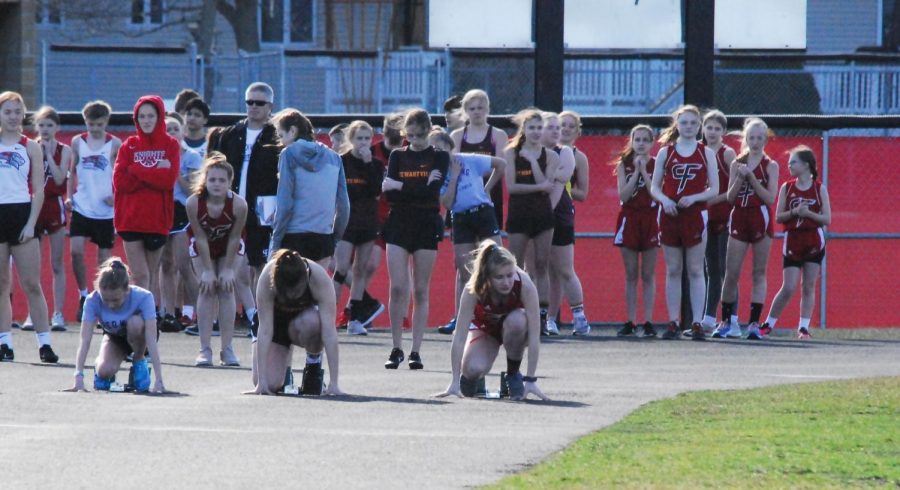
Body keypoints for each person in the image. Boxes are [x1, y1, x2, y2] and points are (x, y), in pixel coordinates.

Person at [435, 241, 548, 401]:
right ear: (487, 277)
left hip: (515, 328)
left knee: (517, 322)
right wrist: (454, 381)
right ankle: (469, 379)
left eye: (510, 275)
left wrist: (530, 380)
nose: (506, 282)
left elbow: (535, 336)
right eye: (499, 277)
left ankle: (513, 373)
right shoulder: (473, 289)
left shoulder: (525, 284)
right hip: (486, 330)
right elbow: (459, 336)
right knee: (473, 369)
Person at [207, 82, 280, 327]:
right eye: (250, 102)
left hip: (264, 210)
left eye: (259, 103)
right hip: (231, 209)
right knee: (235, 269)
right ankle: (252, 316)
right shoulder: (230, 135)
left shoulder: (276, 136)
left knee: (262, 266)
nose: (254, 107)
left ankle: (264, 314)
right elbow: (213, 170)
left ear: (270, 106)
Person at [381, 109, 449, 370]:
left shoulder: (439, 156)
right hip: (399, 222)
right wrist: (404, 188)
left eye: (419, 135)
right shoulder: (398, 155)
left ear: (428, 132)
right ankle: (396, 346)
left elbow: (431, 193)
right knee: (398, 286)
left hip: (426, 222)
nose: (414, 140)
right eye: (409, 135)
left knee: (421, 288)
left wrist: (400, 186)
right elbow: (390, 194)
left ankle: (416, 349)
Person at [649, 105, 719, 340]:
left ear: (698, 126)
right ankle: (673, 321)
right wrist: (665, 200)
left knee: (696, 269)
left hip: (695, 215)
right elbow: (654, 187)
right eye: (684, 122)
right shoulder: (665, 152)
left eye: (692, 123)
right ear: (676, 125)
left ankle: (697, 322)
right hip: (670, 215)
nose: (688, 127)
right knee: (673, 269)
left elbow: (716, 189)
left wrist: (695, 197)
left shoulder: (705, 152)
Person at [0, 91, 58, 363]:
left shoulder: (30, 146)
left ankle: (44, 343)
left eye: (17, 111)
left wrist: (31, 224)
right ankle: (5, 343)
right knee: (2, 285)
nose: (13, 117)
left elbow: (38, 190)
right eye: (7, 111)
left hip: (22, 214)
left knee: (32, 284)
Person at [113, 95, 181, 317]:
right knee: (139, 275)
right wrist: (153, 171)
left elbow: (168, 180)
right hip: (130, 219)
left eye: (151, 115)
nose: (146, 120)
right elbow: (120, 182)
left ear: (160, 116)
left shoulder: (170, 144)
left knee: (150, 274)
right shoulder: (129, 145)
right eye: (141, 116)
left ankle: (148, 324)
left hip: (157, 220)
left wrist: (135, 169)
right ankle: (138, 319)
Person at [433, 129, 506, 333]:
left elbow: (501, 164)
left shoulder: (467, 159)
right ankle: (463, 318)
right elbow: (446, 203)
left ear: (450, 147)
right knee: (464, 269)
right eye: (434, 150)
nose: (438, 153)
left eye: (441, 148)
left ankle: (500, 311)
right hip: (461, 217)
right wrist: (454, 177)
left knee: (496, 260)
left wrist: (487, 188)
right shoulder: (437, 172)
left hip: (482, 212)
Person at [713, 118, 779, 340]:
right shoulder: (737, 163)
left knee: (759, 272)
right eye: (752, 137)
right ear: (745, 138)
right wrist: (741, 178)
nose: (756, 141)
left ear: (766, 139)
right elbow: (730, 198)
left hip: (759, 217)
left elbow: (770, 197)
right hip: (740, 215)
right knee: (731, 273)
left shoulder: (770, 165)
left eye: (760, 138)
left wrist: (752, 178)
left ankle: (753, 323)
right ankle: (726, 321)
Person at [248, 249, 343, 396]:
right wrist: (261, 382)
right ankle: (284, 372)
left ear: (306, 276)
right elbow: (265, 329)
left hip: (302, 322)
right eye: (286, 293)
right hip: (275, 324)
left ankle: (313, 365)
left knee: (314, 322)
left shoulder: (319, 279)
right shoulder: (266, 278)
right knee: (270, 383)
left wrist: (334, 384)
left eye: (296, 292)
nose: (291, 297)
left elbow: (330, 332)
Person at [65, 258, 166, 393]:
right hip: (115, 336)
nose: (111, 305)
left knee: (134, 323)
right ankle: (101, 364)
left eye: (116, 300)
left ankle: (139, 361)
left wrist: (159, 380)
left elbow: (151, 339)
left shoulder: (144, 297)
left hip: (141, 336)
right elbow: (85, 340)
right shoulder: (92, 300)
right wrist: (78, 377)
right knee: (105, 371)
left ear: (127, 290)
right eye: (106, 300)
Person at [762, 146, 831, 340]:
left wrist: (808, 213)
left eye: (794, 162)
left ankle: (803, 327)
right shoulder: (787, 187)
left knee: (808, 285)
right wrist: (794, 213)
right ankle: (768, 324)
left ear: (806, 165)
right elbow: (779, 217)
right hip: (793, 239)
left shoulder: (818, 188)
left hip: (813, 240)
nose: (789, 165)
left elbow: (826, 218)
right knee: (789, 286)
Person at [186, 153, 248, 366]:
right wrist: (207, 270)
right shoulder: (194, 203)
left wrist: (228, 269)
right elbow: (200, 237)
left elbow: (234, 237)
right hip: (204, 246)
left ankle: (227, 349)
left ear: (230, 182)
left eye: (222, 180)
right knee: (207, 287)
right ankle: (205, 349)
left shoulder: (239, 205)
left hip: (229, 246)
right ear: (205, 180)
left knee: (226, 287)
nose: (217, 184)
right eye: (212, 179)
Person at [270, 109, 349, 269]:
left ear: (292, 131)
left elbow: (285, 203)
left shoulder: (288, 154)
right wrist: (334, 239)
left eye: (281, 135)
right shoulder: (335, 158)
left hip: (293, 236)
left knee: (290, 292)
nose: (281, 142)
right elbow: (344, 207)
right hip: (323, 238)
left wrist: (276, 241)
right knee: (318, 292)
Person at [503, 109, 558, 335]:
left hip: (543, 214)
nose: (536, 132)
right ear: (523, 130)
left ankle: (542, 316)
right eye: (531, 127)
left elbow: (547, 186)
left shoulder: (551, 156)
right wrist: (538, 187)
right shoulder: (511, 153)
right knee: (514, 265)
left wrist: (534, 162)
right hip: (519, 213)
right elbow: (512, 187)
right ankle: (513, 310)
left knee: (542, 264)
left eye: (539, 127)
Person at [68, 100, 121, 323]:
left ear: (106, 122)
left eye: (98, 124)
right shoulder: (77, 142)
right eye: (90, 124)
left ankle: (102, 298)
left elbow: (120, 174)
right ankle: (83, 295)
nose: (94, 128)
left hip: (106, 211)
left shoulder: (114, 144)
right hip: (82, 206)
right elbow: (72, 171)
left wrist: (116, 197)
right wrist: (70, 196)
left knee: (104, 260)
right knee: (76, 251)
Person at [540, 112, 590, 336]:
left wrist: (562, 185)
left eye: (570, 126)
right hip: (538, 211)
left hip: (560, 211)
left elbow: (582, 192)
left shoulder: (573, 155)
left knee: (564, 268)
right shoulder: (534, 152)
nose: (564, 130)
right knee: (545, 269)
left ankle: (579, 318)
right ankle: (547, 318)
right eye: (561, 125)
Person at [333, 121, 385, 335]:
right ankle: (328, 314)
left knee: (360, 269)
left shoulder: (376, 164)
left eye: (366, 138)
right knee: (341, 268)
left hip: (368, 220)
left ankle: (354, 317)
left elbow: (375, 191)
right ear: (351, 140)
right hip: (347, 220)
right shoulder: (341, 161)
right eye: (359, 138)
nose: (363, 143)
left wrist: (368, 164)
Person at [612, 125, 659, 338]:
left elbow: (656, 193)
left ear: (651, 143)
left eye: (645, 140)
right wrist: (635, 172)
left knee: (648, 274)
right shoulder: (624, 164)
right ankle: (631, 320)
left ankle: (648, 320)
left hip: (650, 218)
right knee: (631, 274)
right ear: (631, 141)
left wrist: (645, 172)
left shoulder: (657, 163)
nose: (640, 143)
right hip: (630, 217)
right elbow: (624, 194)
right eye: (637, 139)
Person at [158, 113, 201, 332]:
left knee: (185, 265)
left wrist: (174, 169)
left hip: (183, 211)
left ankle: (201, 315)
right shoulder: (157, 155)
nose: (171, 133)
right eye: (167, 129)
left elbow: (192, 189)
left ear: (182, 131)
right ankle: (167, 313)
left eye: (175, 128)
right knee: (166, 263)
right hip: (163, 209)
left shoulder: (192, 156)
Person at [31, 106, 72, 332]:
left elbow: (59, 179)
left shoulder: (63, 150)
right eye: (42, 125)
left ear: (57, 127)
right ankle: (34, 313)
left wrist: (48, 154)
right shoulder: (29, 147)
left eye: (50, 125)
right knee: (32, 266)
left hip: (54, 205)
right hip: (34, 206)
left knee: (57, 263)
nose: (45, 130)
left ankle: (58, 313)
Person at [700, 110, 737, 332]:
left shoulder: (727, 153)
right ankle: (708, 317)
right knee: (710, 269)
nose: (712, 132)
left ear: (723, 131)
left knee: (726, 270)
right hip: (704, 219)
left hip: (724, 217)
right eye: (709, 127)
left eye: (717, 128)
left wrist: (711, 200)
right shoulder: (696, 150)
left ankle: (732, 319)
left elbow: (733, 189)